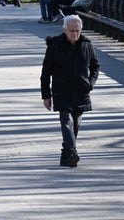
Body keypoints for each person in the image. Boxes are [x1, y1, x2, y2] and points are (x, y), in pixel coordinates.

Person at [40, 15, 99, 167]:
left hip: (81, 92)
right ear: (64, 30)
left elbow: (95, 66)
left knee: (76, 124)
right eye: (72, 31)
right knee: (67, 121)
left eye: (78, 31)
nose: (75, 34)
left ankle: (66, 156)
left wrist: (90, 84)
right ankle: (72, 152)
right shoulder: (55, 46)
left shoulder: (86, 44)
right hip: (62, 91)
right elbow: (46, 73)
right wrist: (46, 96)